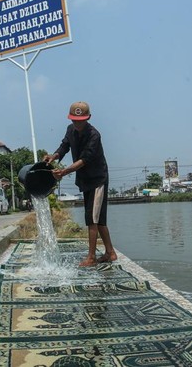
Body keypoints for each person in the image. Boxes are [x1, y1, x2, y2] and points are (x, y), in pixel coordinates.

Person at [43, 101, 117, 267]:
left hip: (98, 179)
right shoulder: (71, 130)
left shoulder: (94, 135)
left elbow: (84, 160)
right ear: (70, 119)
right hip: (85, 179)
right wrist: (53, 157)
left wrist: (64, 172)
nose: (77, 123)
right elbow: (64, 146)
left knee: (92, 219)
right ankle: (110, 252)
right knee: (99, 219)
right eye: (75, 120)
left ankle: (91, 257)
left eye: (81, 120)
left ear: (88, 118)